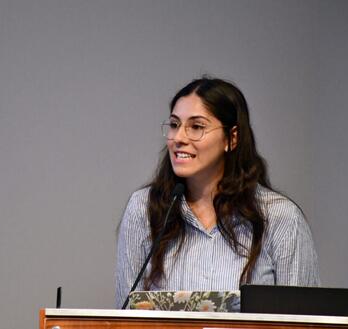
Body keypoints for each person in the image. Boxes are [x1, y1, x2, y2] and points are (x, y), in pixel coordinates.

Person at [115, 77, 320, 309]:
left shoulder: (280, 218)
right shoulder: (144, 209)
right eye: (174, 124)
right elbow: (123, 318)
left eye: (196, 127)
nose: (179, 138)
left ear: (231, 138)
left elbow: (303, 322)